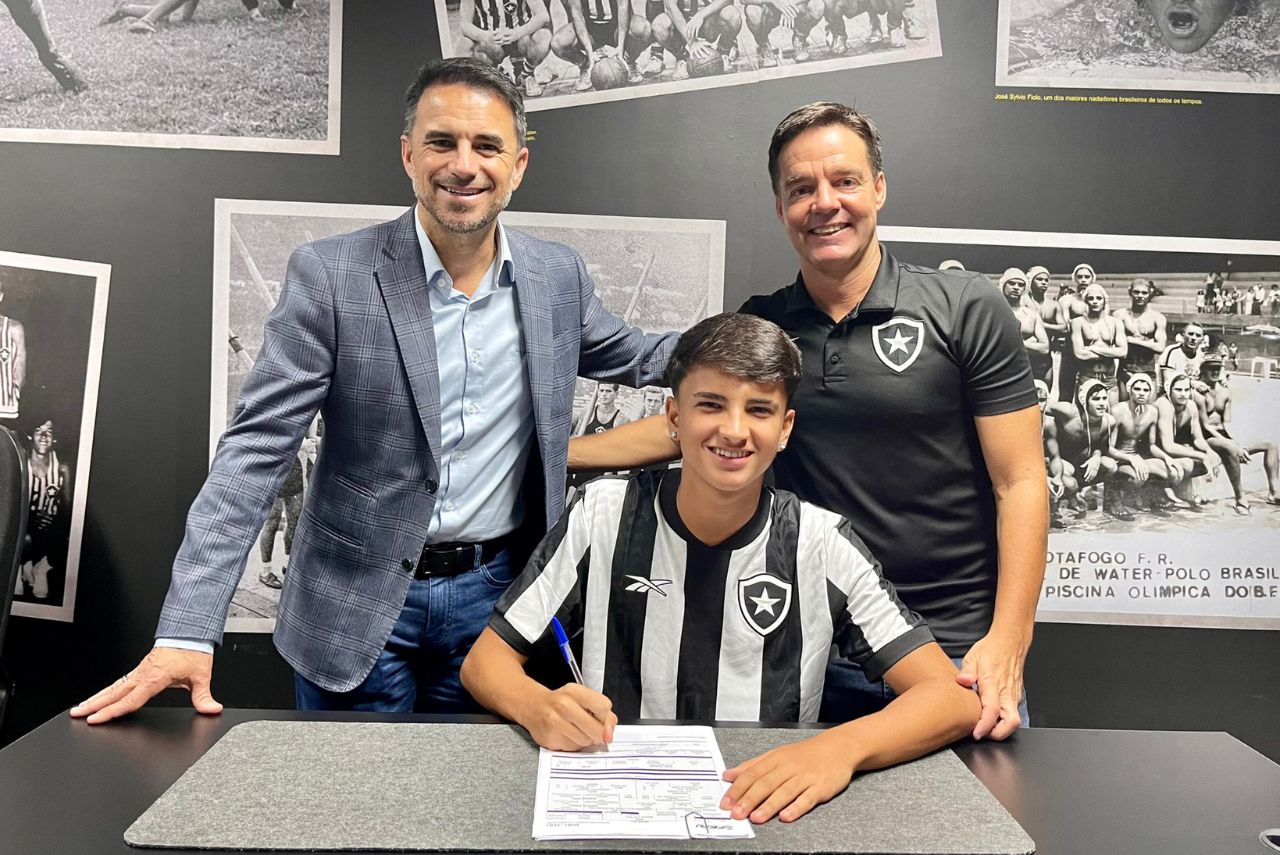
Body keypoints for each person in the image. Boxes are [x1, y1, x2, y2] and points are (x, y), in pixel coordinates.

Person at [70, 57, 675, 725]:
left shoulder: (557, 277)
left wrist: (766, 337)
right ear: (409, 153)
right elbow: (253, 456)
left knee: (467, 815)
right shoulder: (330, 276)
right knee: (352, 816)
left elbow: (646, 357)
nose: (464, 165)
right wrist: (187, 625)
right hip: (353, 610)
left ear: (519, 164)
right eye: (442, 142)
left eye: (487, 146)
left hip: (496, 609)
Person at [570, 102, 1046, 740]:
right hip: (805, 645)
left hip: (950, 653)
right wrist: (560, 453)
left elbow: (1021, 482)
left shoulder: (966, 309)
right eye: (801, 189)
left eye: (845, 180)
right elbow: (691, 430)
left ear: (878, 186)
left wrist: (1008, 641)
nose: (825, 202)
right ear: (779, 207)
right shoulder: (763, 327)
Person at [461, 313, 979, 824]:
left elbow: (951, 700)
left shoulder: (822, 544)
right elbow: (485, 664)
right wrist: (537, 707)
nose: (735, 430)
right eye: (711, 404)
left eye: (759, 410)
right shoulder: (602, 514)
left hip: (764, 811)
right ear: (673, 417)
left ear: (785, 428)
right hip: (622, 804)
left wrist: (838, 748)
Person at [1196, 354, 1280, 514]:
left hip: (1223, 434)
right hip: (1207, 437)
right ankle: (1240, 497)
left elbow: (1228, 423)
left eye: (1217, 368)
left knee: (1271, 445)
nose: (1215, 372)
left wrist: (1239, 443)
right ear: (1203, 370)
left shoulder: (1225, 392)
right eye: (1211, 368)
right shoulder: (1198, 392)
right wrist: (1234, 445)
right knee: (1230, 447)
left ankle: (1274, 492)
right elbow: (1206, 426)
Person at [1107, 373, 1187, 517]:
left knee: (1173, 472)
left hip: (1137, 457)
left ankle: (1147, 496)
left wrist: (1167, 458)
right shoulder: (1118, 411)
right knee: (1138, 477)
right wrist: (1131, 459)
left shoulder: (1152, 412)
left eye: (1146, 390)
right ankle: (1114, 496)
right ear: (1130, 390)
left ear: (1150, 393)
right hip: (1119, 459)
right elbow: (1109, 449)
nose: (1141, 393)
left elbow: (1152, 445)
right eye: (1137, 389)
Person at [1047, 379, 1122, 518]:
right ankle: (1063, 502)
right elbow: (1041, 406)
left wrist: (1097, 456)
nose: (1102, 403)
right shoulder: (1068, 412)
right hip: (1064, 465)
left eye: (1104, 398)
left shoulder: (1108, 421)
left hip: (1084, 466)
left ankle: (1110, 503)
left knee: (1111, 465)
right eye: (1096, 399)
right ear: (1084, 401)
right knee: (1070, 482)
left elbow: (1101, 446)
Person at [14, 419, 71, 601]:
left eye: (49, 431)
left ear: (54, 438)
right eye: (39, 430)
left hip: (49, 535)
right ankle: (19, 565)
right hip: (22, 531)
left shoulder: (61, 468)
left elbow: (70, 509)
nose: (44, 436)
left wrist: (55, 520)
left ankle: (40, 567)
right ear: (31, 434)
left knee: (72, 535)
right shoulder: (21, 463)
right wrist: (28, 522)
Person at [457, 0, 553, 96]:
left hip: (521, 38)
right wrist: (486, 36)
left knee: (544, 36)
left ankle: (526, 75)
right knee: (464, 46)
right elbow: (464, 25)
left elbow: (543, 16)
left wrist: (517, 33)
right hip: (492, 43)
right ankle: (498, 74)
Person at [551, 0, 647, 91]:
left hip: (615, 27)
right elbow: (577, 17)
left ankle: (628, 61)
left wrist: (620, 49)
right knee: (558, 42)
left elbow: (623, 8)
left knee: (643, 29)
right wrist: (590, 53)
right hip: (590, 30)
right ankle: (586, 65)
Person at [1156, 372, 1220, 507]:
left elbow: (1198, 439)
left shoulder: (1191, 406)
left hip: (1168, 450)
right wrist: (1202, 456)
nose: (1183, 394)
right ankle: (1160, 489)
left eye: (1186, 389)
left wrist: (1209, 452)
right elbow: (1168, 446)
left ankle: (1185, 491)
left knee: (1211, 458)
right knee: (1189, 462)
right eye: (1178, 390)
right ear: (1169, 390)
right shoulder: (1164, 405)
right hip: (1153, 452)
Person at [2, 0, 87, 92]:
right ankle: (76, 87)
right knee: (48, 54)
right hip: (21, 11)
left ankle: (78, 86)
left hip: (27, 11)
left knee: (49, 54)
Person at [1070, 282, 1126, 404]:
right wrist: (1111, 352)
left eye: (1099, 298)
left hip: (1109, 380)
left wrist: (1091, 348)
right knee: (1085, 419)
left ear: (1104, 301)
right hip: (1087, 377)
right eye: (1091, 298)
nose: (1095, 301)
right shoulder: (1077, 322)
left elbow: (1122, 352)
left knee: (1111, 418)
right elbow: (1080, 354)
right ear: (1085, 301)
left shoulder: (1116, 323)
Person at [1113, 278, 1167, 401]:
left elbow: (1160, 347)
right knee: (1123, 410)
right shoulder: (1120, 315)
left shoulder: (1157, 318)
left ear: (1150, 294)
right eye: (1136, 292)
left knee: (1149, 411)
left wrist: (1133, 340)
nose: (1140, 296)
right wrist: (1148, 342)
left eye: (1144, 293)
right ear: (1130, 292)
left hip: (1147, 370)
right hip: (1126, 370)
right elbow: (1114, 342)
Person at [1000, 268, 1050, 390]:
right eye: (1012, 283)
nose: (1016, 287)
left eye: (1020, 284)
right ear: (1004, 285)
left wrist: (1018, 343)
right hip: (1003, 369)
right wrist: (1030, 343)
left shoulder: (1031, 314)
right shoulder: (995, 311)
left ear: (1025, 288)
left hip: (1030, 369)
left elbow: (1045, 348)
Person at [1026, 265, 1064, 390]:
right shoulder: (1023, 303)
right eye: (1039, 279)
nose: (1043, 282)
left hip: (1045, 357)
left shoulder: (1053, 305)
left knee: (1044, 392)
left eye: (1046, 280)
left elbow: (1064, 328)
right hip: (1027, 354)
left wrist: (1043, 325)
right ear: (1031, 281)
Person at [0, 277, 26, 421]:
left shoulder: (13, 328)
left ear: (1, 296)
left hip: (4, 406)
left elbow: (20, 366)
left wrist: (15, 394)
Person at [1156, 321, 1206, 396]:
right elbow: (1168, 380)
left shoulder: (1201, 356)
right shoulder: (1172, 351)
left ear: (1202, 339)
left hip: (1191, 392)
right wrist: (1192, 383)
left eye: (1198, 335)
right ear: (1183, 335)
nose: (1193, 338)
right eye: (1190, 334)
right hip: (1170, 393)